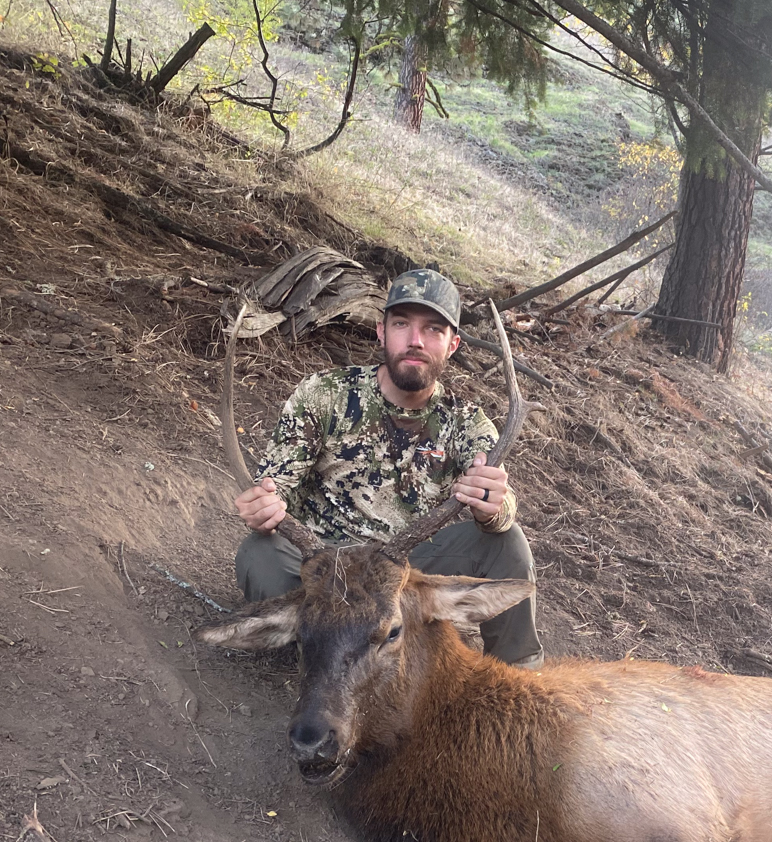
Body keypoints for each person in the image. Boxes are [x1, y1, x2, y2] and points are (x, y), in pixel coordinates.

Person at [232, 269, 543, 668]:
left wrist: (493, 506)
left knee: (506, 541)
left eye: (433, 329)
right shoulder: (324, 395)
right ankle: (329, 652)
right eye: (402, 324)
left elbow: (500, 501)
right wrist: (264, 506)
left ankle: (518, 675)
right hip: (325, 566)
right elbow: (277, 489)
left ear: (453, 344)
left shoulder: (465, 423)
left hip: (404, 572)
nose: (415, 340)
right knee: (260, 555)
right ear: (381, 332)